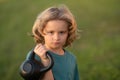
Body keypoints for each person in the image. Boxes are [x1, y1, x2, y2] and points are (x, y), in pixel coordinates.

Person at [27, 4, 80, 80]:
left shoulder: (72, 59)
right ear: (42, 31)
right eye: (51, 32)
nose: (56, 38)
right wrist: (45, 60)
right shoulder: (35, 57)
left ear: (68, 32)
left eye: (61, 32)